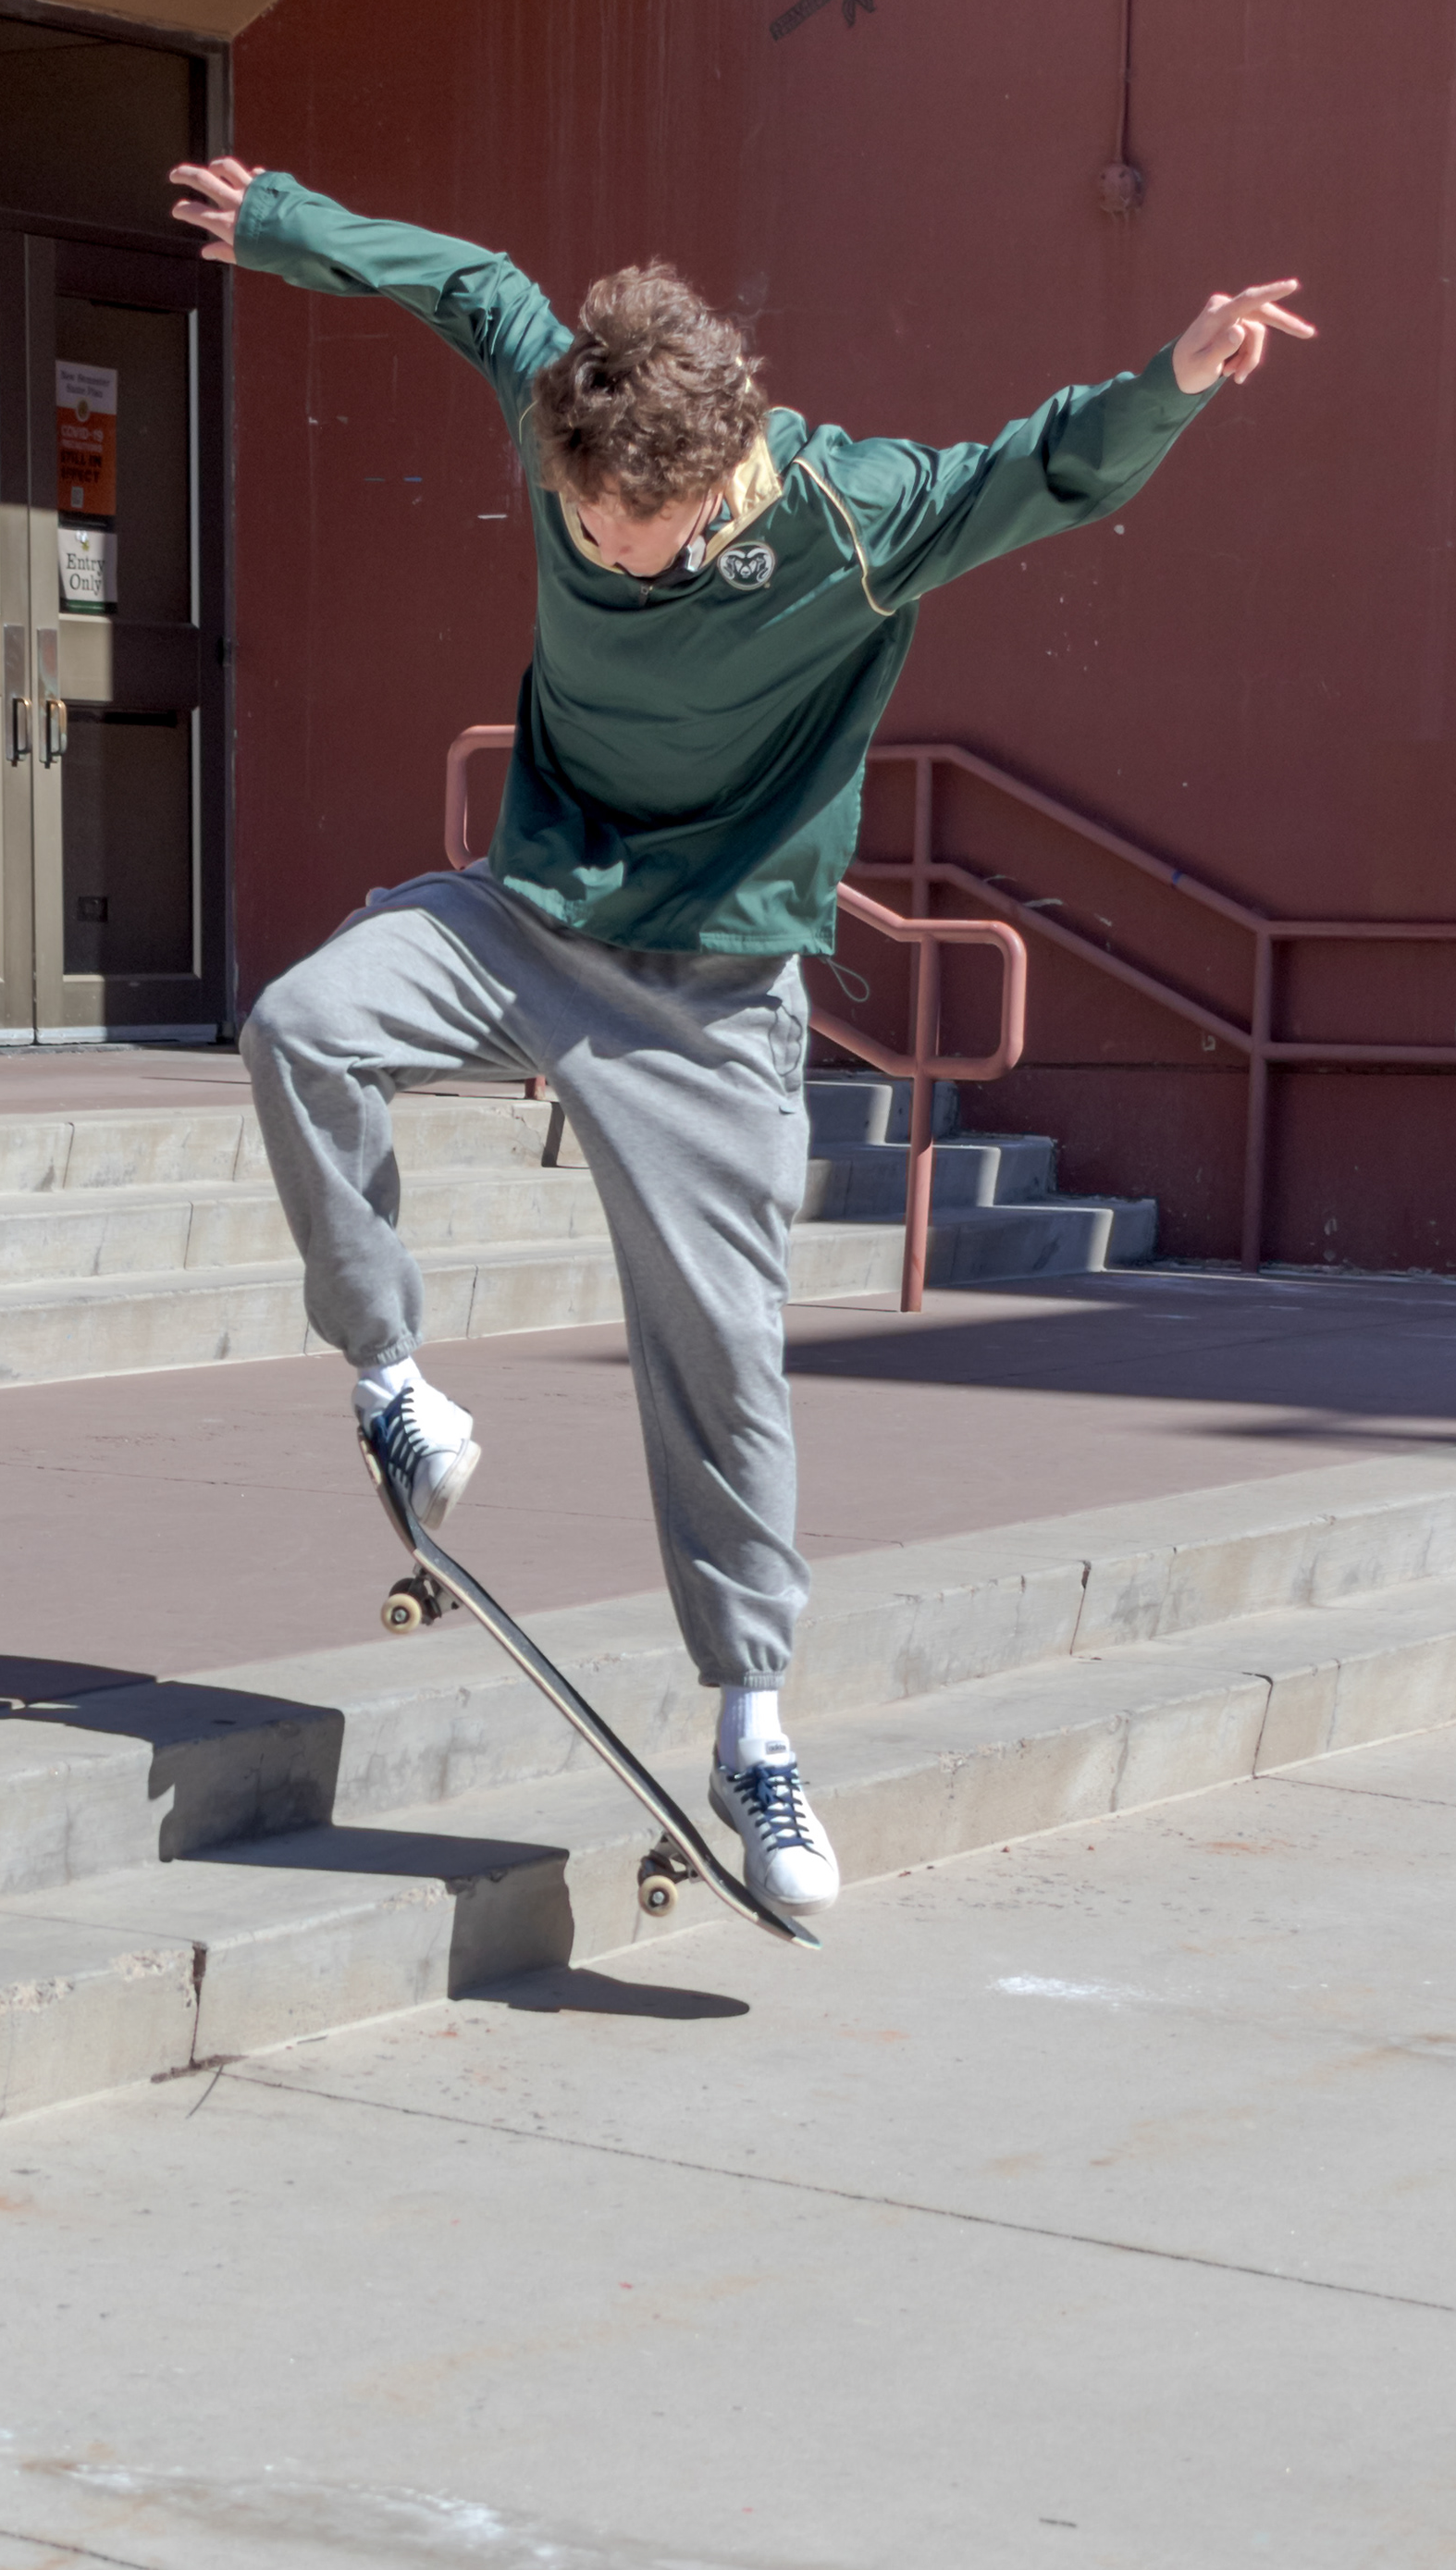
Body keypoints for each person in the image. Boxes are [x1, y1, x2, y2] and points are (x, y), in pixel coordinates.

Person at [175, 152, 1311, 1915]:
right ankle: (393, 1386)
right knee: (303, 1023)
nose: (585, 543)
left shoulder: (858, 523)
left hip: (710, 999)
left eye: (618, 532)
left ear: (708, 490)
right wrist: (290, 226)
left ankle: (755, 1726)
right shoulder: (572, 419)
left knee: (724, 1356)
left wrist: (1174, 378)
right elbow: (477, 281)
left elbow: (1044, 471)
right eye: (569, 510)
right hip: (528, 920)